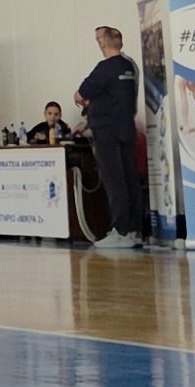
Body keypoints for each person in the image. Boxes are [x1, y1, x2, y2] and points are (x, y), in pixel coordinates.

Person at [74, 26, 144, 248]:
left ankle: (121, 230)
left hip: (107, 132)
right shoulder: (130, 66)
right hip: (126, 129)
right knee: (130, 178)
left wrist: (87, 103)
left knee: (114, 181)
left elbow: (80, 94)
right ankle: (135, 230)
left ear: (102, 42)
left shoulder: (104, 68)